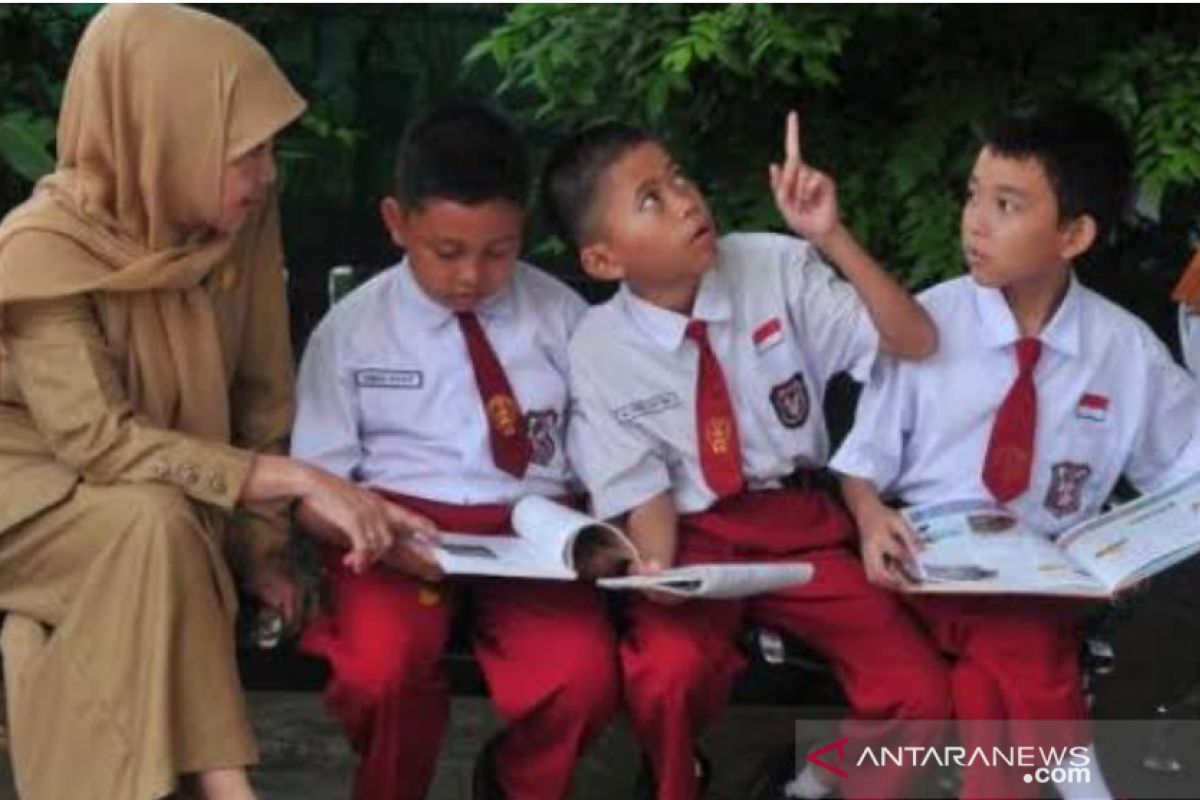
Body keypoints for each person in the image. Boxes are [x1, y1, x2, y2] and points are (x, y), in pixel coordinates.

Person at [0, 5, 428, 799]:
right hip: (27, 499)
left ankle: (206, 785)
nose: (267, 174)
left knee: (138, 545)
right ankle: (227, 785)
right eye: (246, 152)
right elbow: (98, 442)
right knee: (147, 523)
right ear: (163, 133)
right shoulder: (41, 251)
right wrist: (296, 481)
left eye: (269, 149)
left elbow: (262, 386)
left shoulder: (233, 225)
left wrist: (261, 547)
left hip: (156, 511)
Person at [544, 114, 951, 800]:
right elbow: (646, 495)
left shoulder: (774, 264)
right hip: (697, 536)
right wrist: (658, 573)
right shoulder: (598, 347)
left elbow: (912, 341)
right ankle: (676, 781)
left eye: (677, 177)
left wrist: (829, 237)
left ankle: (819, 783)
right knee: (665, 673)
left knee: (920, 692)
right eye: (651, 199)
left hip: (802, 527)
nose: (685, 200)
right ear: (604, 261)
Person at [831, 100, 1200, 799]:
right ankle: (1078, 783)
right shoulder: (924, 324)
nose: (974, 221)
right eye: (973, 195)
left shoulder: (1123, 350)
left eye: (1006, 205)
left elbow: (1187, 462)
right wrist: (869, 514)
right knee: (1025, 650)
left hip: (1050, 577)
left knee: (988, 680)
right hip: (928, 566)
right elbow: (862, 463)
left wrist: (1143, 544)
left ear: (1073, 233)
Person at [290, 101, 621, 800]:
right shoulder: (351, 332)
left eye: (498, 251)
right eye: (447, 252)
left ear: (522, 230)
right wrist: (366, 527)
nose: (472, 275)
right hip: (391, 530)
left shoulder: (564, 318)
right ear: (396, 222)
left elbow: (610, 455)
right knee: (380, 672)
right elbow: (316, 485)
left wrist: (604, 533)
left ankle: (513, 782)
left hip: (533, 534)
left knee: (582, 677)